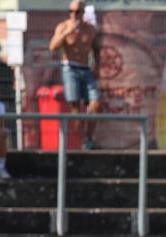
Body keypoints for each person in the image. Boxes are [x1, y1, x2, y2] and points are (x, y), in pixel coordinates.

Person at [49, 1, 101, 150]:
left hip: (85, 68)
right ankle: (81, 139)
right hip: (69, 67)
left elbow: (96, 48)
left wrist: (97, 65)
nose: (73, 15)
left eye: (77, 12)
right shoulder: (63, 26)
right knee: (75, 106)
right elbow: (53, 46)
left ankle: (89, 137)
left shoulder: (90, 29)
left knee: (95, 104)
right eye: (71, 11)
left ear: (83, 13)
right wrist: (67, 32)